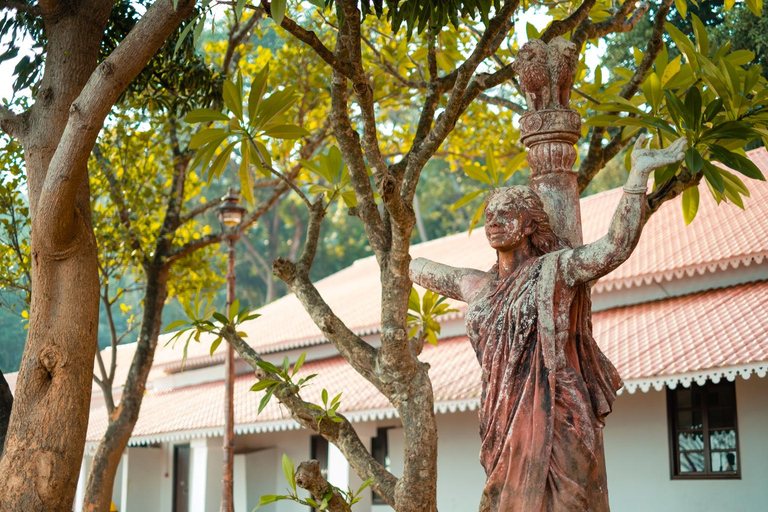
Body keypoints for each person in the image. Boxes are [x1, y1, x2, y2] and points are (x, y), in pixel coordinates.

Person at [409, 135, 687, 512]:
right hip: (501, 413)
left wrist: (637, 178)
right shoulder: (478, 285)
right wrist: (391, 244)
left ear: (527, 224)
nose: (493, 221)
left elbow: (614, 247)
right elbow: (418, 268)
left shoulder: (555, 270)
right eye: (489, 215)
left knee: (567, 504)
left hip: (557, 407)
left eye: (505, 214)